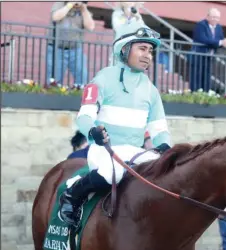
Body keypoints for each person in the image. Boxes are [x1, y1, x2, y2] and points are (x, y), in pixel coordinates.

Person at [58, 20, 171, 228]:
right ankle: (73, 194)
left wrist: (165, 148)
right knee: (115, 173)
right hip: (105, 150)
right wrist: (93, 132)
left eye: (151, 51)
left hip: (136, 153)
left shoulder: (151, 90)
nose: (148, 55)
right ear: (125, 49)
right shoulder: (103, 78)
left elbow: (159, 129)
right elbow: (84, 117)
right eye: (142, 48)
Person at [46, 2, 95, 86]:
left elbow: (90, 27)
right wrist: (70, 5)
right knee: (55, 80)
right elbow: (55, 17)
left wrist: (84, 10)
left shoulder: (82, 9)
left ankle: (80, 94)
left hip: (75, 49)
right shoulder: (60, 4)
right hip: (57, 48)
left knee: (82, 77)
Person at [190, 8, 226, 92]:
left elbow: (219, 40)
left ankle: (205, 96)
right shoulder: (201, 25)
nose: (215, 19)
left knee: (206, 79)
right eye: (213, 17)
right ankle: (194, 96)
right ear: (207, 17)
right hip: (198, 56)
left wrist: (225, 43)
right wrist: (221, 42)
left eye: (217, 17)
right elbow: (203, 39)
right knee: (197, 79)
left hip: (209, 57)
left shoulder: (218, 27)